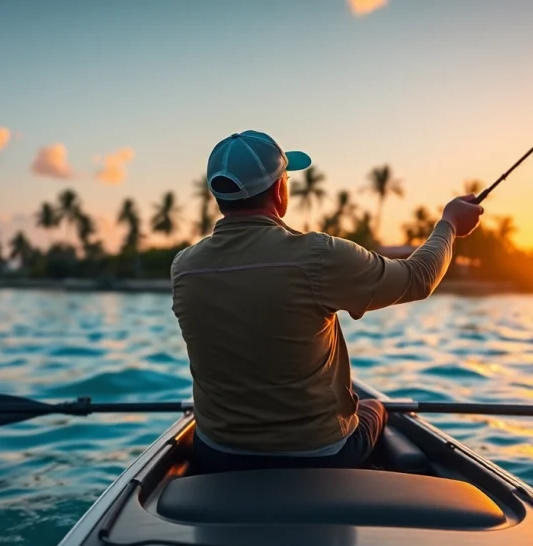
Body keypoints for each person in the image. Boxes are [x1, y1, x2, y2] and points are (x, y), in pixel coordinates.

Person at [170, 130, 483, 474]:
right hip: (319, 453)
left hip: (218, 452)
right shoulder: (317, 256)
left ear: (219, 195)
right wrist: (449, 225)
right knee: (374, 407)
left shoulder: (184, 267)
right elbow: (418, 278)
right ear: (279, 189)